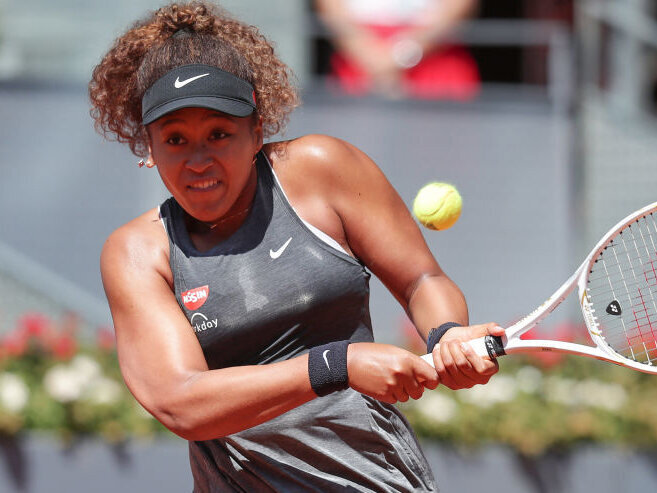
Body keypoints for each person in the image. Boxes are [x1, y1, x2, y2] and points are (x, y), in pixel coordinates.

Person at [90, 2, 502, 491]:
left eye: (219, 134)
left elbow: (421, 280)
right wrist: (337, 366)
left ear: (257, 129)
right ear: (149, 147)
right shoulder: (137, 253)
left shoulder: (324, 169)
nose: (198, 160)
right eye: (175, 140)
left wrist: (447, 334)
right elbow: (180, 401)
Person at [315, 0, 480, 100]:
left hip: (436, 65)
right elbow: (331, 9)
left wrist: (398, 56)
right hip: (356, 67)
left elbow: (457, 8)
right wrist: (370, 57)